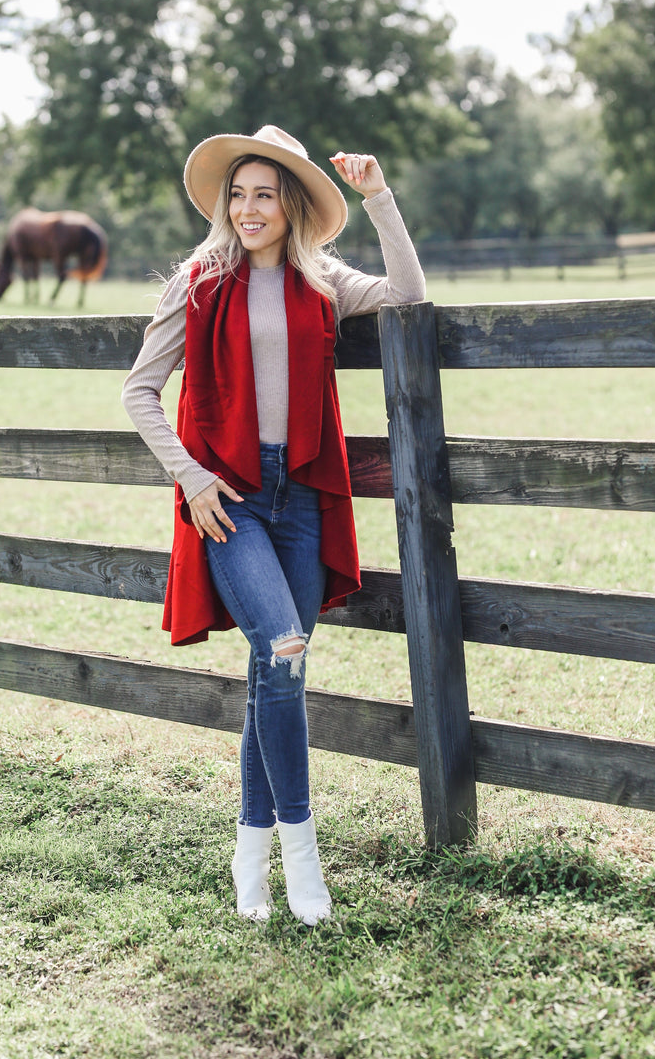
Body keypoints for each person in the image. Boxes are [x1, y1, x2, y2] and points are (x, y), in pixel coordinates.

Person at [122, 125, 425, 925]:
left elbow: (409, 294)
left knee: (275, 673)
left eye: (264, 194)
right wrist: (190, 479)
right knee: (284, 649)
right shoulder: (196, 280)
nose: (248, 208)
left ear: (289, 206)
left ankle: (249, 852)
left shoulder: (321, 282)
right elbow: (139, 392)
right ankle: (304, 856)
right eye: (238, 194)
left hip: (302, 497)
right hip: (230, 499)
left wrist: (379, 199)